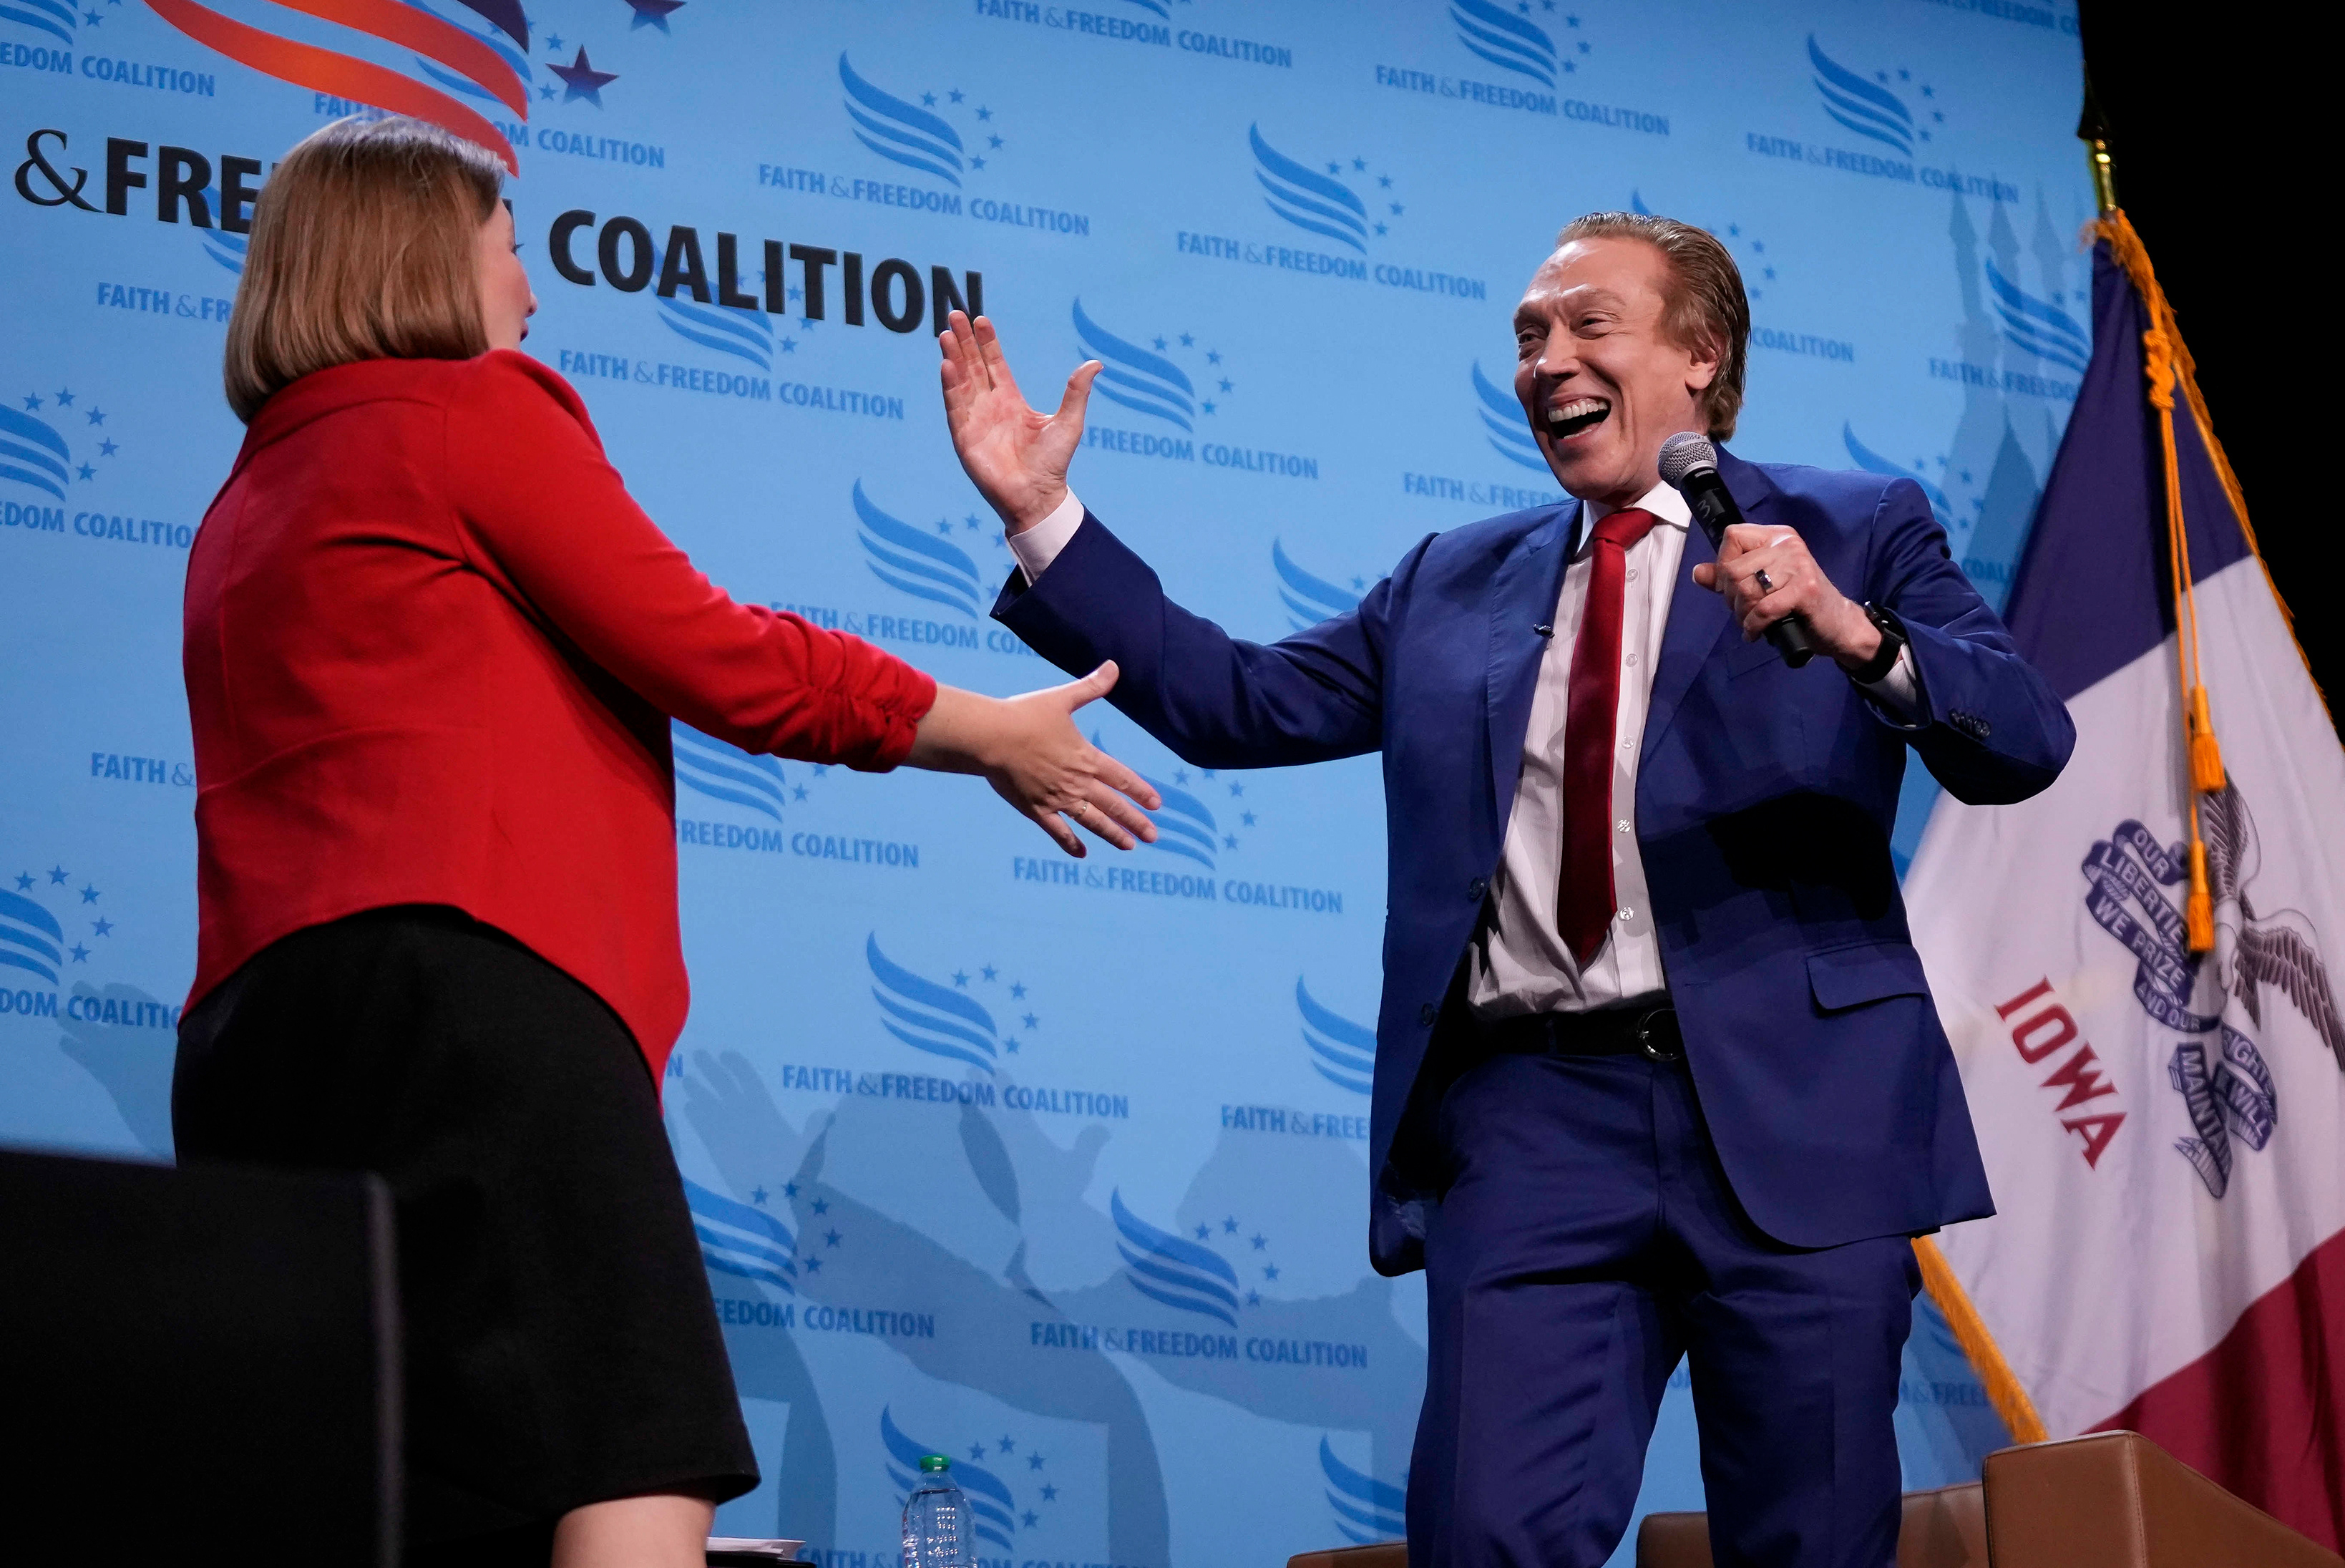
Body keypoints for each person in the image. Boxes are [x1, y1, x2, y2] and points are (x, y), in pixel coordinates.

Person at [941, 213, 2073, 1567]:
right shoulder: (1450, 582)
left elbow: (2023, 738)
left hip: (1802, 1113)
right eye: (1529, 336)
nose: (1547, 360)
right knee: (1482, 1538)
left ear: (1701, 354)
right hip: (1537, 1125)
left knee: (1813, 1542)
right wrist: (1042, 518)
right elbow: (1233, 700)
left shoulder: (1851, 526)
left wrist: (1853, 631)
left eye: (1590, 325)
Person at [172, 116, 1160, 1568]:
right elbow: (710, 652)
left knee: (397, 1497)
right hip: (471, 990)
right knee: (635, 1445)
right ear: (428, 254)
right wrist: (977, 728)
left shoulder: (240, 504)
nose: (531, 292)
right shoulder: (470, 412)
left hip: (254, 1051)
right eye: (511, 251)